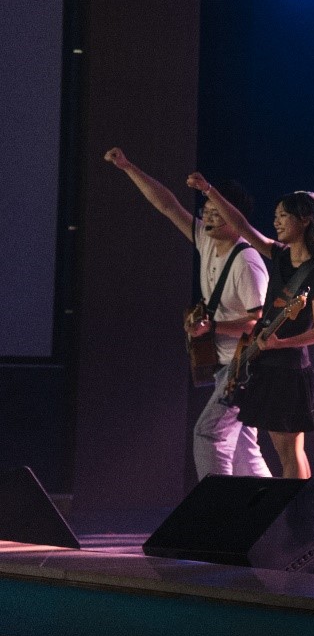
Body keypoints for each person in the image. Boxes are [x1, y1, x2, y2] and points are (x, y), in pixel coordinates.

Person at [104, 148, 271, 479]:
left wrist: (213, 327)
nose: (208, 218)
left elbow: (258, 323)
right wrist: (128, 167)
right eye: (206, 211)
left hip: (246, 367)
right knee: (244, 452)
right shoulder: (206, 241)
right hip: (227, 365)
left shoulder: (247, 263)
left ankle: (217, 504)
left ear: (235, 218)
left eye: (216, 213)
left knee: (208, 435)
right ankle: (275, 508)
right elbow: (167, 205)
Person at [186, 174, 314, 481]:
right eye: (275, 216)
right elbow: (242, 226)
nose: (276, 222)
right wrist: (209, 190)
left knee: (290, 453)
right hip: (266, 364)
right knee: (283, 452)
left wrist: (281, 343)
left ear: (304, 220)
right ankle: (296, 505)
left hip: (290, 369)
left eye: (283, 216)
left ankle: (297, 508)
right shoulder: (279, 255)